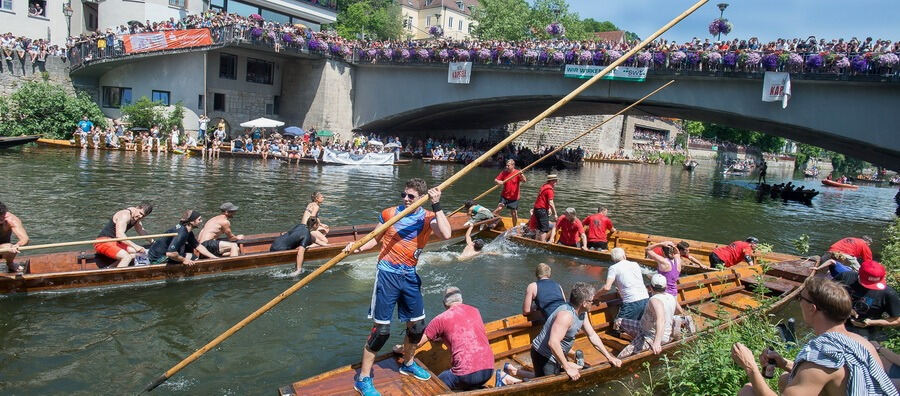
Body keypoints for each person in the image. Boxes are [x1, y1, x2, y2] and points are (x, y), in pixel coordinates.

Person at [343, 178, 452, 396]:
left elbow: (447, 233)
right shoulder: (389, 214)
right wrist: (356, 247)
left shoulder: (427, 217)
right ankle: (363, 379)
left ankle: (408, 364)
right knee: (381, 331)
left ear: (421, 199)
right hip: (387, 275)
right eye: (404, 195)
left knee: (417, 327)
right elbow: (375, 239)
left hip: (410, 276)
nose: (405, 199)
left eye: (411, 197)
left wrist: (436, 204)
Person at [731, 277, 897, 396]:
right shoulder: (862, 343)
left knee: (748, 390)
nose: (799, 302)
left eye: (800, 298)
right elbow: (831, 376)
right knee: (785, 379)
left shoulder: (822, 355)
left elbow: (821, 370)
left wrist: (749, 366)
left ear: (812, 308)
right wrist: (784, 363)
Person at [497, 283, 621, 386]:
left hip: (556, 354)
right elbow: (553, 342)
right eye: (593, 300)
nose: (595, 302)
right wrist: (566, 366)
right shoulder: (566, 316)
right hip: (544, 355)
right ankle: (506, 379)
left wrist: (609, 357)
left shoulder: (582, 313)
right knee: (546, 387)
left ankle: (511, 371)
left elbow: (592, 335)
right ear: (584, 303)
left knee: (545, 377)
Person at [402, 287, 494, 391]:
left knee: (437, 384)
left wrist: (402, 347)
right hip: (489, 370)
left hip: (466, 375)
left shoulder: (440, 319)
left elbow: (417, 343)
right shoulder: (475, 311)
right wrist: (443, 337)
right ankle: (478, 386)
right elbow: (463, 332)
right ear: (461, 300)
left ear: (444, 303)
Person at [615, 274, 684, 357]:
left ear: (650, 287)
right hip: (642, 328)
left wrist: (657, 343)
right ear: (665, 287)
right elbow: (679, 311)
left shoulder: (654, 300)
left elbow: (661, 319)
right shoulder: (671, 297)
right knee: (618, 321)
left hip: (650, 337)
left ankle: (639, 343)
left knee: (621, 356)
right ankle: (635, 339)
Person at [834, 260, 900, 340]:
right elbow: (825, 295)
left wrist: (871, 322)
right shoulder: (845, 277)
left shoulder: (888, 293)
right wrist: (846, 309)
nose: (869, 287)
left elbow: (897, 320)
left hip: (865, 331)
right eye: (867, 283)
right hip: (836, 322)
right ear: (859, 273)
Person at [146, 210, 218, 265]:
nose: (201, 221)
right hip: (157, 259)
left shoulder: (187, 231)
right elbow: (170, 254)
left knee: (189, 249)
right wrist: (184, 260)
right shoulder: (182, 233)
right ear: (192, 222)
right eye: (199, 219)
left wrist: (214, 258)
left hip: (158, 253)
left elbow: (198, 246)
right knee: (193, 257)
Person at [93, 203, 153, 268]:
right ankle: (116, 277)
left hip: (115, 242)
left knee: (137, 253)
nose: (140, 216)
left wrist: (153, 242)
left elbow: (141, 231)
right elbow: (120, 235)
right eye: (140, 213)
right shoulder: (124, 215)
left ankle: (109, 268)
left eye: (143, 216)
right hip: (103, 242)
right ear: (137, 207)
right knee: (126, 257)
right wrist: (135, 246)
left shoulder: (136, 218)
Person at [600, 247, 650, 321]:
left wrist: (596, 296)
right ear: (624, 256)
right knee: (639, 326)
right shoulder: (635, 264)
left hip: (631, 302)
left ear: (613, 259)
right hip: (646, 299)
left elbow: (607, 288)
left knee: (617, 328)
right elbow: (630, 281)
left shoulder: (613, 268)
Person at [493, 159, 527, 225]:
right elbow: (495, 180)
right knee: (499, 208)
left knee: (514, 213)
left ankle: (514, 227)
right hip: (504, 195)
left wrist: (521, 174)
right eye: (506, 165)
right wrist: (498, 182)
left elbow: (524, 180)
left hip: (514, 197)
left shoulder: (517, 173)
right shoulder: (504, 172)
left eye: (508, 165)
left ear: (513, 165)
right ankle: (489, 220)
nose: (506, 167)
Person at [0, 202, 29, 273]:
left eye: (2, 214)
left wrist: (17, 245)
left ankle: (10, 263)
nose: (1, 218)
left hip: (3, 249)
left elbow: (25, 239)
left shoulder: (11, 219)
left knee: (9, 247)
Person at [530, 175, 558, 242]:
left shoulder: (544, 186)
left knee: (539, 228)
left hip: (537, 209)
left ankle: (536, 242)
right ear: (551, 181)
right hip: (542, 210)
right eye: (555, 181)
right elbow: (551, 202)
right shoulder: (549, 189)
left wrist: (549, 208)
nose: (557, 182)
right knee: (544, 229)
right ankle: (543, 243)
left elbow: (542, 199)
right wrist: (555, 214)